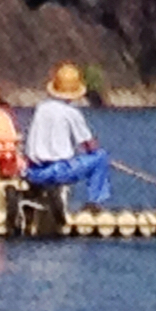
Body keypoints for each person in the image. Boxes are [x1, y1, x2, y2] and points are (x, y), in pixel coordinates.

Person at [20, 61, 112, 206]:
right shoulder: (72, 113)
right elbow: (89, 145)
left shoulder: (41, 108)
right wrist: (92, 151)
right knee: (100, 157)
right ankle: (95, 202)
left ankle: (40, 194)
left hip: (34, 171)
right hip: (58, 171)